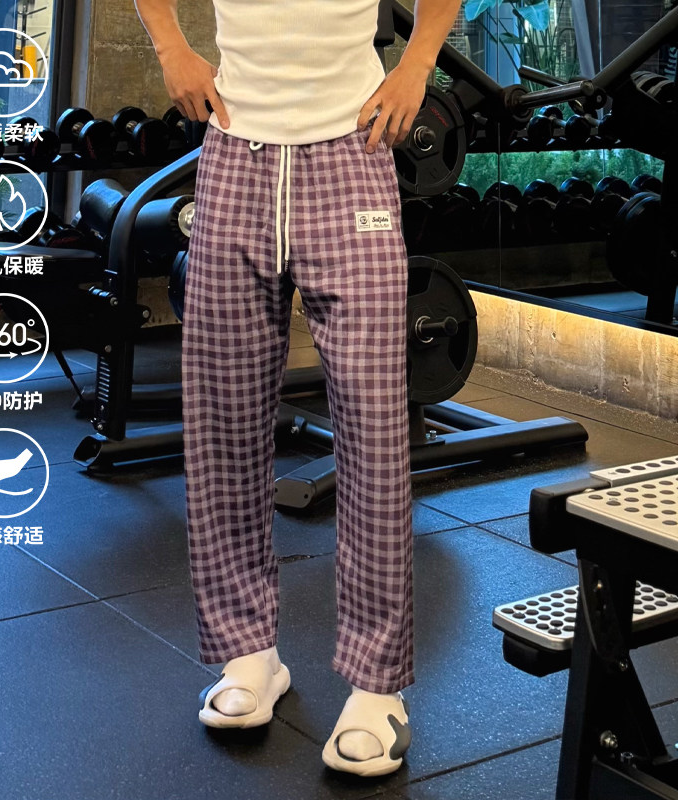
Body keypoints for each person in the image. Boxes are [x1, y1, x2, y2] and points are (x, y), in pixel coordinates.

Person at [135, 0, 460, 777]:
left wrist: (418, 63)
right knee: (224, 419)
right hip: (235, 156)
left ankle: (377, 687)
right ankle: (248, 653)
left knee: (374, 428)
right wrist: (171, 47)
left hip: (351, 152)